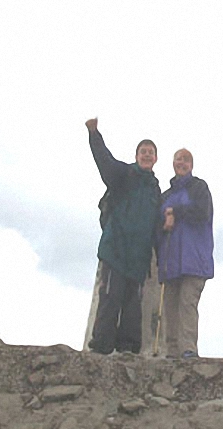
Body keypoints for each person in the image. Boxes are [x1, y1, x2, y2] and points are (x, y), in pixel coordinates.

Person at [85, 117, 161, 355]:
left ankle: (128, 347)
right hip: (115, 248)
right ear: (137, 155)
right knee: (110, 297)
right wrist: (94, 133)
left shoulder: (155, 190)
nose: (147, 155)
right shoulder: (124, 174)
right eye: (143, 152)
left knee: (132, 304)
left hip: (138, 256)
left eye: (150, 152)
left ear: (156, 158)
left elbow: (157, 225)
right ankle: (101, 346)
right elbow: (104, 162)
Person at [158, 148, 214, 359]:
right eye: (178, 160)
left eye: (185, 160)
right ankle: (171, 352)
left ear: (192, 165)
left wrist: (175, 212)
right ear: (173, 164)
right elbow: (157, 226)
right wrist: (163, 224)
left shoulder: (199, 187)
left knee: (187, 304)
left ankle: (188, 350)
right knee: (170, 307)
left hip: (194, 258)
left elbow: (202, 212)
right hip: (170, 259)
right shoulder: (166, 195)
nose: (181, 163)